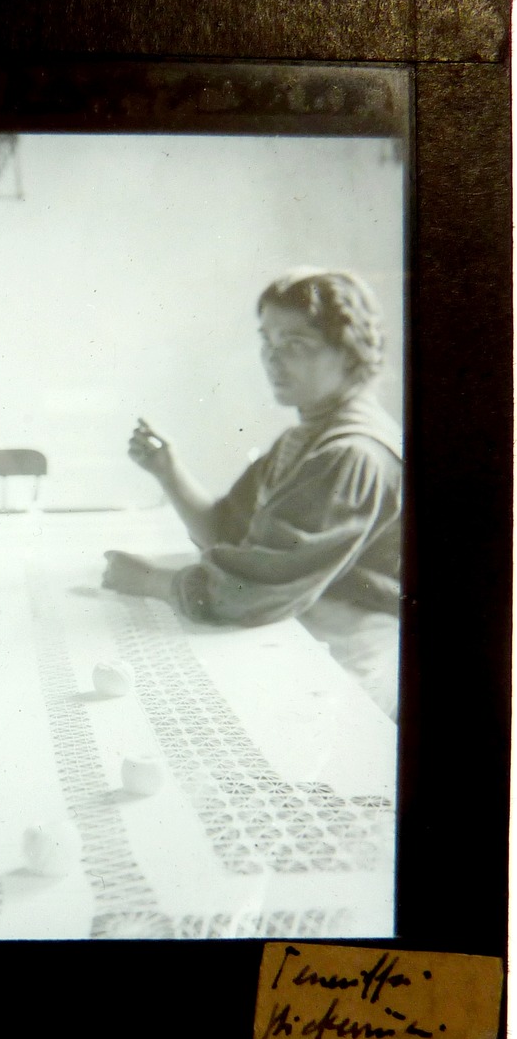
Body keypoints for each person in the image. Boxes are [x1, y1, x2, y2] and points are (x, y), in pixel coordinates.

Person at [101, 269, 403, 719]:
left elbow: (247, 593)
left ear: (350, 351)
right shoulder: (308, 436)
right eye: (268, 341)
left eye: (295, 345)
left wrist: (148, 580)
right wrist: (168, 471)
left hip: (343, 663)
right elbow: (229, 532)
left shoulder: (351, 453)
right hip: (299, 630)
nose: (272, 360)